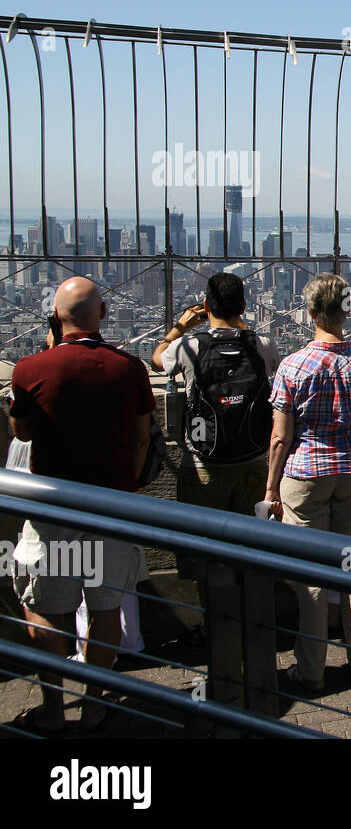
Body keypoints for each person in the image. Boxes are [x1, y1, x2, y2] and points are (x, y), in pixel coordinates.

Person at [7, 277, 153, 732]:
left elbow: (22, 433)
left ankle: (54, 707)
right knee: (106, 606)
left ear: (55, 316)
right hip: (111, 505)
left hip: (54, 508)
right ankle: (94, 702)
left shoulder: (30, 369)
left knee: (46, 608)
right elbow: (143, 437)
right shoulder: (129, 368)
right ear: (103, 314)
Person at [265, 273, 351, 691]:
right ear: (346, 312)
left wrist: (270, 488)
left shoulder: (293, 365)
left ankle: (312, 669)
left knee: (312, 578)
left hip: (306, 476)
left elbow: (281, 436)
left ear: (313, 313)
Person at [151, 272, 280, 518]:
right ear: (243, 306)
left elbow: (156, 361)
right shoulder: (263, 345)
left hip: (203, 463)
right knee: (250, 544)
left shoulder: (187, 347)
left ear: (207, 305)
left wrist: (178, 329)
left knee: (200, 544)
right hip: (252, 460)